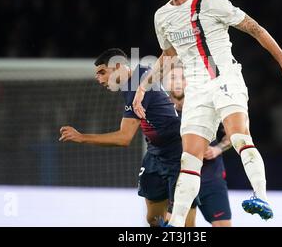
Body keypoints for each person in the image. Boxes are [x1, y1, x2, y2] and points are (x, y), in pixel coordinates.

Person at [132, 0, 282, 227]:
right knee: (189, 158)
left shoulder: (212, 4)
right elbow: (168, 55)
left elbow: (255, 29)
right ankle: (177, 223)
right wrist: (142, 88)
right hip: (196, 91)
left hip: (224, 79)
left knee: (239, 136)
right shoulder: (162, 16)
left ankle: (260, 196)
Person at [59, 48, 196, 227]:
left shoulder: (138, 83)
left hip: (178, 155)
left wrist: (81, 137)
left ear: (117, 66)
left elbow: (124, 138)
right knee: (153, 219)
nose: (99, 79)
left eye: (102, 72)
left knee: (183, 223)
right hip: (155, 155)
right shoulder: (137, 78)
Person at [167, 65, 232, 227]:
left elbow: (236, 131)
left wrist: (218, 149)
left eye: (182, 78)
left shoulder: (207, 105)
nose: (178, 83)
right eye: (173, 78)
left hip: (211, 180)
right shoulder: (162, 112)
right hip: (178, 181)